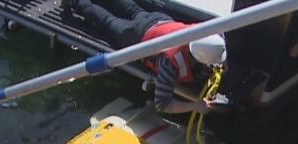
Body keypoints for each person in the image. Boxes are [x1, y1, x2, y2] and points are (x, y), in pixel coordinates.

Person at [66, 0, 227, 114]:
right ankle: (76, 2)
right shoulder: (171, 63)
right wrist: (195, 106)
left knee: (133, 10)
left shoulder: (204, 33)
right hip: (138, 36)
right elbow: (162, 104)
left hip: (159, 20)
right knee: (108, 21)